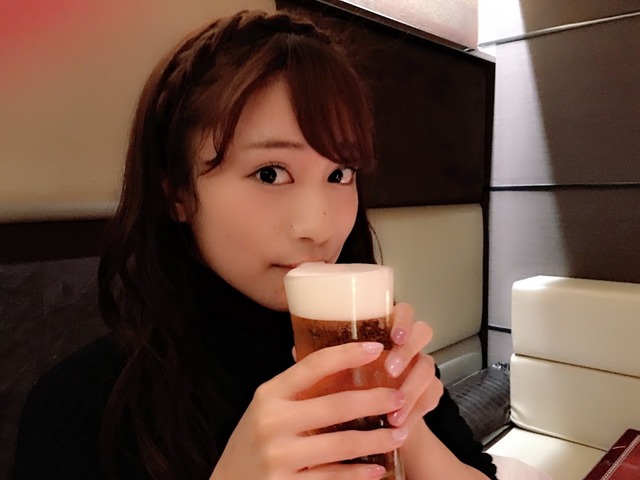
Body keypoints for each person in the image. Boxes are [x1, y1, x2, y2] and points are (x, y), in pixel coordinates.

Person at [13, 9, 499, 480]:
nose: (318, 226)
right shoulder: (83, 409)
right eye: (270, 173)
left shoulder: (373, 351)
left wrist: (398, 418)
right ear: (178, 194)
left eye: (340, 174)